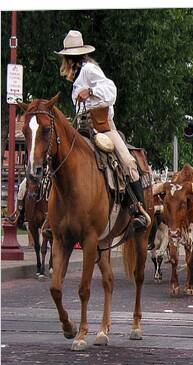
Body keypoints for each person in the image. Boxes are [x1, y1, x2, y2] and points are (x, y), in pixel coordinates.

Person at [57, 30, 148, 230]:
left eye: (67, 56)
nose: (66, 60)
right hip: (81, 126)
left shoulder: (89, 69)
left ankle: (137, 208)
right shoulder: (76, 76)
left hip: (102, 126)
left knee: (127, 160)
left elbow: (111, 90)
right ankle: (57, 212)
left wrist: (90, 91)